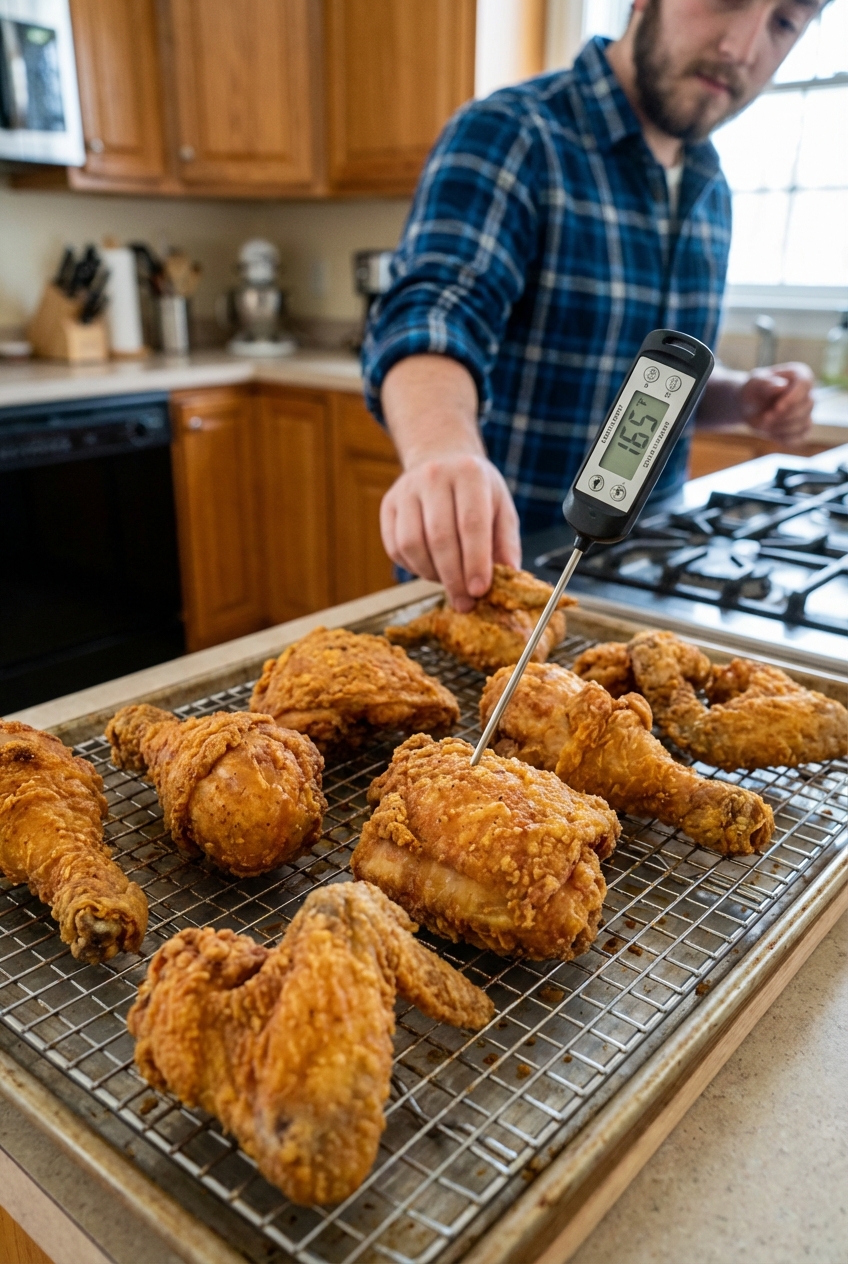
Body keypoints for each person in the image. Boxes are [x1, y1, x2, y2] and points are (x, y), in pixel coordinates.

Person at [362, 0, 823, 612]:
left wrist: (740, 398)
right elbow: (434, 310)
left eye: (784, 22)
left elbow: (644, 390)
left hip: (643, 576)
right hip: (493, 580)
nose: (743, 47)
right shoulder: (513, 133)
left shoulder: (710, 185)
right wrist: (440, 449)